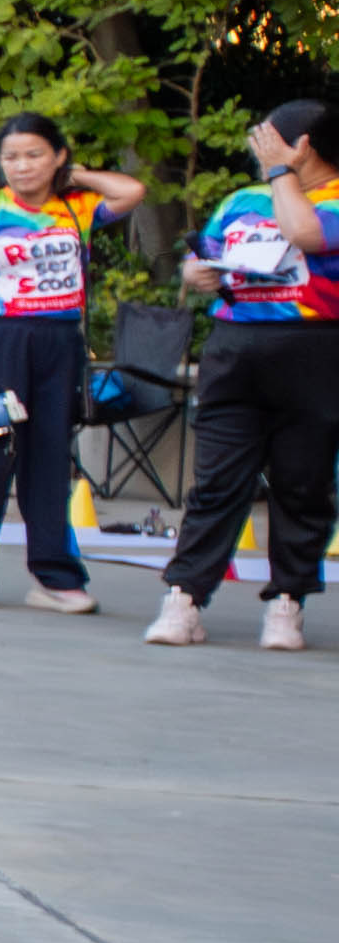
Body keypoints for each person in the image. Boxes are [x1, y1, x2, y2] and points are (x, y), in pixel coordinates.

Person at [144, 99, 337, 652]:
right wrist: (197, 273)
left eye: (267, 139)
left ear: (302, 146)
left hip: (314, 348)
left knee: (302, 482)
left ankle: (287, 602)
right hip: (235, 349)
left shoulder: (331, 197)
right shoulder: (240, 200)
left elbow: (306, 234)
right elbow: (200, 257)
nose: (256, 149)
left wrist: (280, 173)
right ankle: (184, 598)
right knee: (217, 481)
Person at [0, 109, 144, 609]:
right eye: (11, 157)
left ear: (57, 157)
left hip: (60, 341)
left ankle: (55, 577)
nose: (22, 166)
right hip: (0, 339)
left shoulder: (77, 207)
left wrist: (78, 176)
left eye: (34, 155)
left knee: (49, 457)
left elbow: (132, 191)